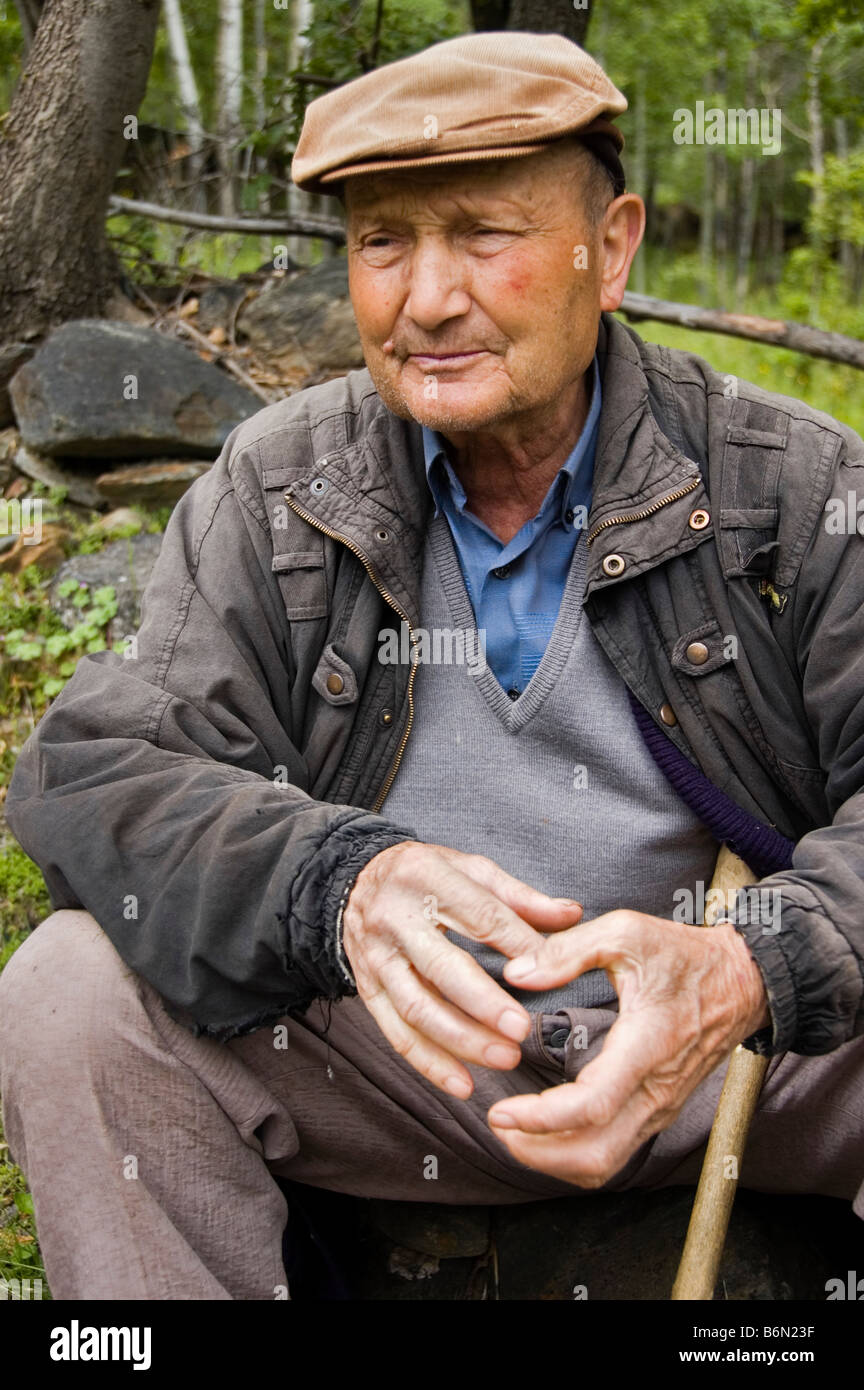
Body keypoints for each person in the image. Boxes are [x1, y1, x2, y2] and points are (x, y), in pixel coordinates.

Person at [1, 32, 863, 1301]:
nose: (426, 298)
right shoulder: (280, 482)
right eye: (381, 242)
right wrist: (333, 883)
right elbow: (95, 768)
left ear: (610, 248)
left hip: (734, 1059)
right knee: (71, 987)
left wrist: (749, 967)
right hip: (409, 1067)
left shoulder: (792, 483)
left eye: (484, 233)